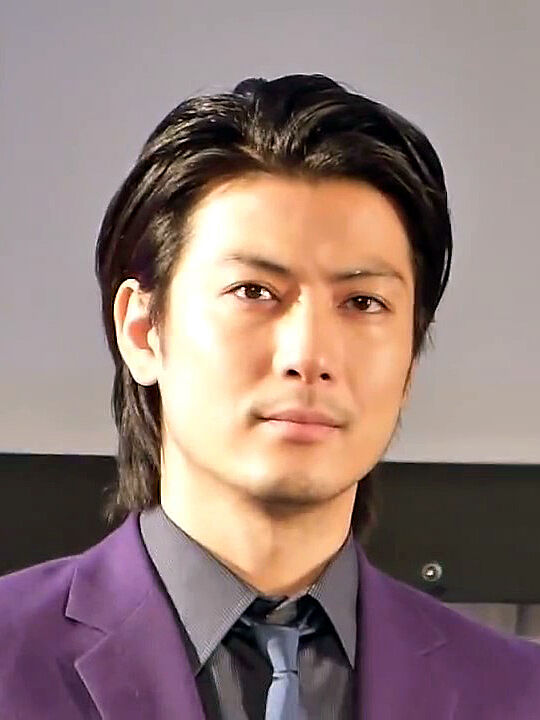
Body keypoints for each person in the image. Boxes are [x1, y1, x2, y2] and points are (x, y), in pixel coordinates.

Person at [1, 73, 539, 720]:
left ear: (409, 362)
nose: (309, 356)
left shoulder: (517, 692)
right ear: (142, 331)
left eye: (363, 302)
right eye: (254, 292)